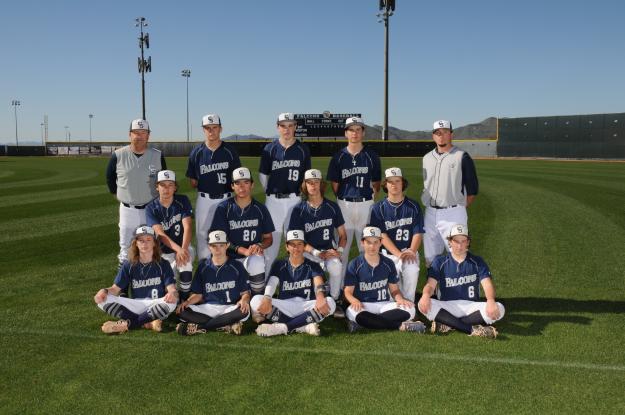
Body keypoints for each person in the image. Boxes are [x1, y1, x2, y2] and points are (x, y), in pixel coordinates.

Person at [418, 224, 504, 338]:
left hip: (471, 306)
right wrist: (425, 295)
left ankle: (449, 324)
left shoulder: (477, 261)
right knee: (422, 304)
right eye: (456, 241)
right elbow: (430, 285)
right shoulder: (440, 261)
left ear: (468, 242)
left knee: (500, 308)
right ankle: (470, 329)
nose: (460, 245)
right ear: (450, 242)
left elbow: (487, 285)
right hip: (447, 306)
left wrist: (491, 300)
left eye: (463, 241)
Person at [94, 225, 178, 334]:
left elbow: (172, 289)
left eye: (148, 240)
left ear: (154, 243)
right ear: (136, 243)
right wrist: (103, 291)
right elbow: (115, 289)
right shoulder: (129, 265)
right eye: (141, 240)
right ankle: (148, 322)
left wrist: (172, 294)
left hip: (155, 305)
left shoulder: (163, 264)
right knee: (102, 300)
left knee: (172, 302)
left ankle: (127, 324)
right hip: (135, 305)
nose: (144, 244)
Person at [251, 230, 336, 337]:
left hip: (305, 306)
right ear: (287, 247)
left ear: (304, 246)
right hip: (285, 307)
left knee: (330, 303)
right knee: (255, 301)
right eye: (292, 244)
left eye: (299, 244)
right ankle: (303, 326)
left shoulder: (313, 265)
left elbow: (319, 283)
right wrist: (267, 297)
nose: (296, 248)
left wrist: (320, 297)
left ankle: (284, 327)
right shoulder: (280, 264)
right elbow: (272, 283)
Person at [106, 119, 166, 266]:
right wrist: (120, 195)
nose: (139, 136)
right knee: (126, 248)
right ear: (129, 135)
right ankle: (123, 286)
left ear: (148, 136)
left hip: (151, 208)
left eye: (143, 133)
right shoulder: (118, 155)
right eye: (136, 133)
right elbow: (109, 177)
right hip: (128, 209)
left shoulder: (157, 155)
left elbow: (164, 179)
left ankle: (155, 280)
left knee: (154, 245)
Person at [288, 168, 347, 317]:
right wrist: (316, 252)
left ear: (321, 185)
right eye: (309, 183)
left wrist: (338, 251)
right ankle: (313, 296)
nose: (313, 186)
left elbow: (343, 235)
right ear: (305, 186)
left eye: (316, 182)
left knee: (336, 265)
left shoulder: (332, 207)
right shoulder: (298, 210)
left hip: (328, 251)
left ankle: (335, 299)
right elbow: (296, 240)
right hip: (308, 252)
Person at [343, 226, 425, 334]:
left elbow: (394, 290)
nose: (372, 246)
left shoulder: (388, 263)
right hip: (363, 305)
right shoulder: (354, 264)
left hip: (385, 304)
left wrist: (400, 298)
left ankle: (366, 323)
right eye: (368, 242)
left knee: (410, 309)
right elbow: (347, 292)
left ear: (381, 243)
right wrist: (354, 301)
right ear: (362, 243)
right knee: (352, 312)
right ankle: (400, 325)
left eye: (376, 242)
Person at [326, 116, 381, 276]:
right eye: (351, 130)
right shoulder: (338, 157)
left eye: (358, 130)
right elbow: (335, 184)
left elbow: (376, 183)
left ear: (363, 132)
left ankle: (366, 285)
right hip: (344, 205)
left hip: (366, 204)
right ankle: (338, 289)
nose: (355, 133)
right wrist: (345, 198)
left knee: (368, 247)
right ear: (346, 133)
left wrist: (369, 198)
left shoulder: (371, 156)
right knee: (342, 247)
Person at [259, 112, 311, 276]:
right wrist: (271, 192)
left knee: (295, 245)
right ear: (278, 127)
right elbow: (263, 175)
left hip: (294, 201)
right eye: (283, 126)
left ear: (295, 127)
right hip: (273, 202)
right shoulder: (270, 148)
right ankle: (266, 287)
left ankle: (294, 284)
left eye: (290, 126)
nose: (287, 129)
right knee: (271, 246)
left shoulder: (302, 149)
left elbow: (306, 177)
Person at [421, 119, 478, 267]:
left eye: (445, 132)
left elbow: (472, 190)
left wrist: (458, 209)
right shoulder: (427, 158)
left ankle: (456, 290)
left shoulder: (462, 156)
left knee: (457, 256)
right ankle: (434, 290)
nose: (441, 136)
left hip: (453, 213)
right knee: (430, 258)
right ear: (433, 136)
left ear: (451, 134)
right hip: (430, 213)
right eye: (438, 133)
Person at [210, 167, 275, 296]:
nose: (242, 187)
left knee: (256, 260)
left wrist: (259, 245)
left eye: (246, 182)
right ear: (232, 186)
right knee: (230, 298)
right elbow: (219, 240)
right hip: (228, 257)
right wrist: (242, 250)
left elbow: (268, 238)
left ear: (252, 185)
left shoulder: (260, 209)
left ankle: (257, 300)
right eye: (238, 183)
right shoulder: (224, 208)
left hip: (251, 256)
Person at [186, 114, 241, 260]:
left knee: (228, 235)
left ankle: (228, 272)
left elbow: (238, 178)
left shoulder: (230, 151)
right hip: (204, 200)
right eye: (207, 128)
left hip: (226, 199)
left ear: (220, 129)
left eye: (214, 128)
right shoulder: (196, 153)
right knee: (203, 235)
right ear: (203, 130)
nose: (211, 131)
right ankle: (206, 271)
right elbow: (193, 181)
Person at [175, 230, 251, 336]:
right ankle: (225, 325)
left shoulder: (237, 266)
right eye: (214, 245)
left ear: (227, 245)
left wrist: (244, 301)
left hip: (229, 308)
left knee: (244, 311)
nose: (217, 249)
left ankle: (200, 327)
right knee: (181, 311)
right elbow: (198, 295)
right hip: (208, 307)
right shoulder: (203, 267)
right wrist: (187, 302)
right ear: (209, 246)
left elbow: (245, 293)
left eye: (221, 245)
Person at [369, 167, 424, 302]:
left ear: (402, 183)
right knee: (391, 296)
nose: (394, 185)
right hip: (387, 255)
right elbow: (382, 235)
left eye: (397, 181)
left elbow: (418, 233)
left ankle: (409, 305)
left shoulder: (413, 206)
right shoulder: (378, 208)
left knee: (412, 270)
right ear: (386, 185)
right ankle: (396, 305)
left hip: (409, 251)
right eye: (390, 182)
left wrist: (411, 251)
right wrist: (398, 255)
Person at [145, 170, 194, 301]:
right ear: (157, 187)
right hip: (162, 252)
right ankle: (171, 300)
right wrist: (179, 250)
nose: (166, 189)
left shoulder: (182, 200)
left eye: (170, 185)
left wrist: (182, 250)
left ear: (175, 187)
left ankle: (184, 300)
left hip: (183, 245)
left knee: (186, 263)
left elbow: (188, 226)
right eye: (163, 185)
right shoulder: (151, 208)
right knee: (166, 282)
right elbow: (160, 234)